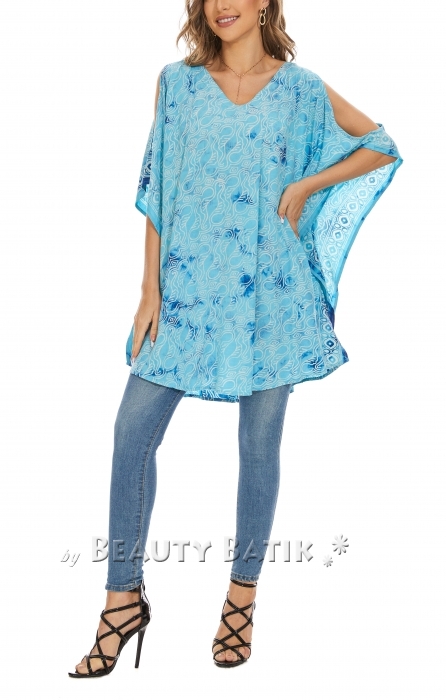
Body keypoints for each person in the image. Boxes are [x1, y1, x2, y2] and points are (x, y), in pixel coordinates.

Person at [68, 0, 402, 677]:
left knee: (257, 447)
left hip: (270, 295)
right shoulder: (177, 84)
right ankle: (121, 599)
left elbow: (381, 145)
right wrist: (149, 291)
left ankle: (241, 599)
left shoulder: (301, 89)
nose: (222, 5)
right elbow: (159, 188)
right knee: (131, 434)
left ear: (265, 3)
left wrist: (308, 183)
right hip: (185, 290)